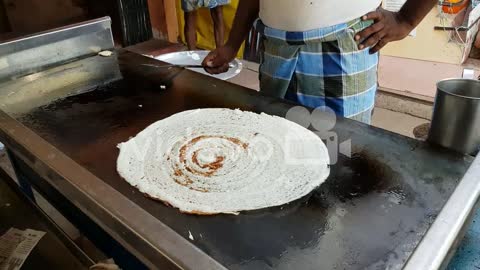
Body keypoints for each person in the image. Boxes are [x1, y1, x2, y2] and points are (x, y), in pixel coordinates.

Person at [202, 0, 437, 124]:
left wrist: (406, 20)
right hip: (276, 47)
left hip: (342, 45)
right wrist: (232, 45)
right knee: (277, 142)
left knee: (339, 153)